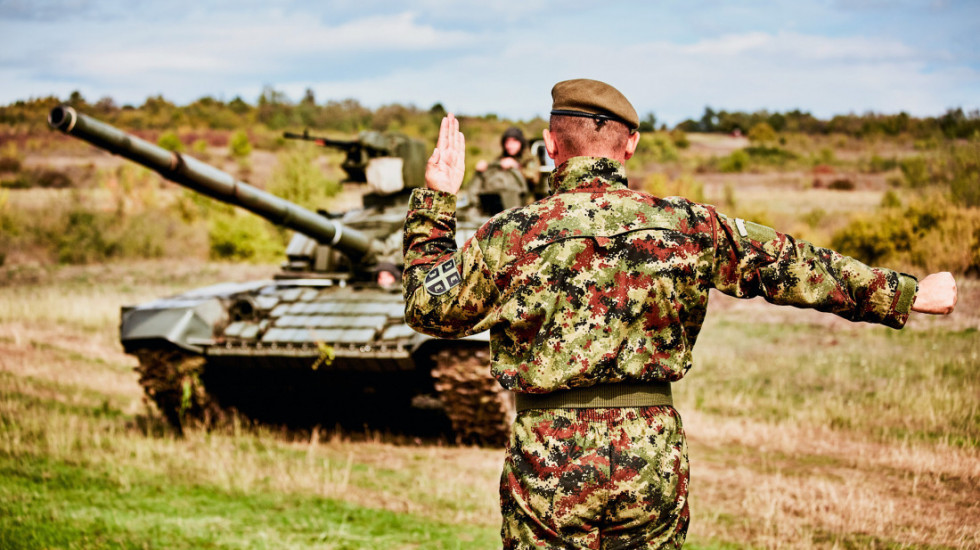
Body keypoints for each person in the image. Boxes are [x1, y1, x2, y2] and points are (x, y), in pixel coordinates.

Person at [402, 80, 957, 549]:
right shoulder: (689, 226)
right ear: (632, 144)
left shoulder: (511, 235)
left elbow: (428, 307)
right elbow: (794, 266)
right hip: (651, 451)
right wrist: (906, 294)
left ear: (550, 145)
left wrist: (436, 202)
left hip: (547, 451)